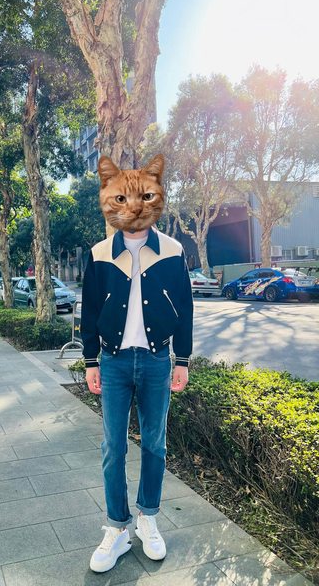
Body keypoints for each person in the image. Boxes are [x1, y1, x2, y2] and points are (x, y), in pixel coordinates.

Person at [81, 154, 193, 573]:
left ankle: (148, 518)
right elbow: (89, 310)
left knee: (154, 444)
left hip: (156, 361)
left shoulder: (172, 250)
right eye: (122, 198)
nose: (134, 206)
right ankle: (117, 528)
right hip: (112, 363)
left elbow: (185, 307)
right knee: (112, 448)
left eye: (144, 197)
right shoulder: (99, 254)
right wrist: (90, 361)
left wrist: (182, 359)